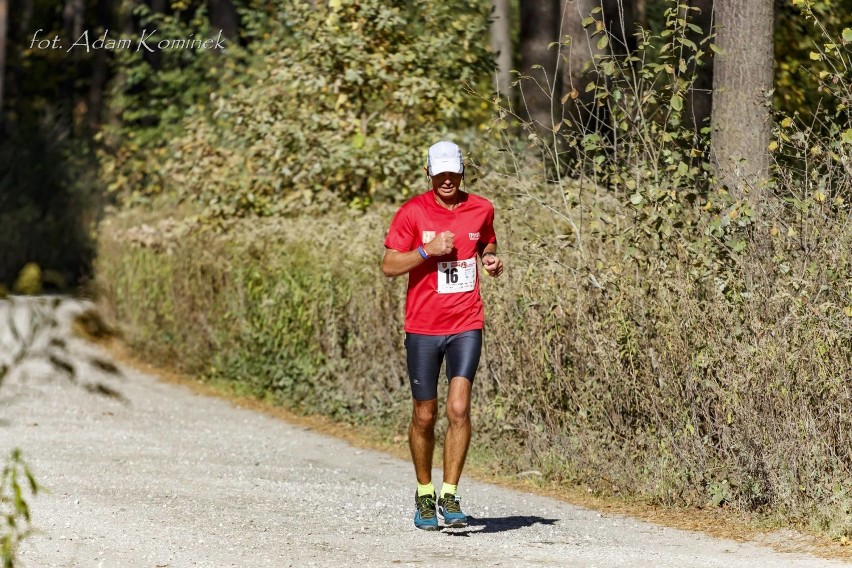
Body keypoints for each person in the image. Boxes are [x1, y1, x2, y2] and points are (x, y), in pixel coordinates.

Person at [381, 140, 504, 530]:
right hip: (423, 327)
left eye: (453, 172)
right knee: (424, 414)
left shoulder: (482, 207)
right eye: (440, 173)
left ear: (462, 171)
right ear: (429, 172)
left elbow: (486, 237)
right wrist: (426, 250)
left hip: (467, 322)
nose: (447, 179)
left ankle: (450, 495)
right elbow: (388, 265)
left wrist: (489, 258)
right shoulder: (412, 212)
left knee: (459, 409)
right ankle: (424, 494)